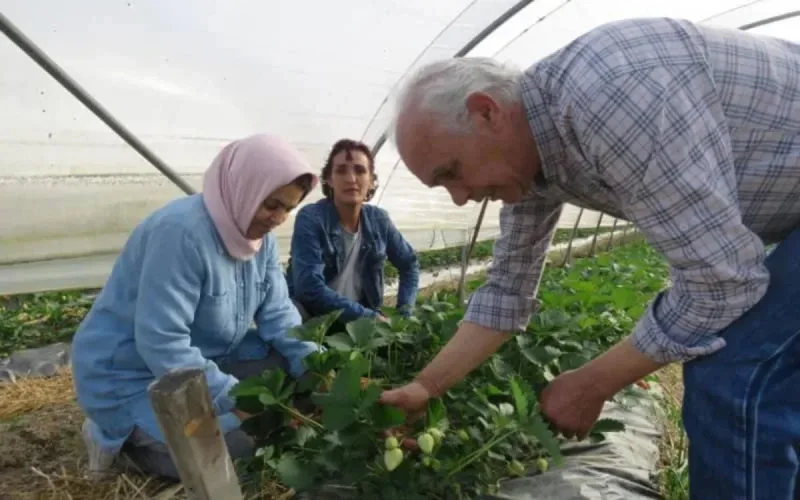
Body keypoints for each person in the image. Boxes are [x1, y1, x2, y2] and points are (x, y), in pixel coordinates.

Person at [379, 17, 800, 500]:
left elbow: (722, 282)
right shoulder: (530, 157)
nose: (459, 198)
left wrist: (591, 383)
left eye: (451, 172)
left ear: (486, 112)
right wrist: (426, 387)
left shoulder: (608, 98)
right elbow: (507, 293)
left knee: (734, 374)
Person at [71, 134, 323, 481]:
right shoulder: (180, 234)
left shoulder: (258, 238)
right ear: (245, 187)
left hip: (204, 360)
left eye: (288, 209)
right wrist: (237, 401)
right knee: (234, 451)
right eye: (272, 204)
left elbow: (279, 313)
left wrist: (318, 366)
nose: (278, 218)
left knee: (290, 375)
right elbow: (163, 342)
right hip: (132, 375)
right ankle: (118, 437)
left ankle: (207, 422)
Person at [287, 138, 420, 324]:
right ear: (329, 180)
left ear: (372, 181)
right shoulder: (311, 218)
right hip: (313, 321)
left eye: (360, 170)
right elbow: (308, 288)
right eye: (341, 171)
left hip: (359, 325)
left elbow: (409, 264)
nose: (351, 179)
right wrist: (370, 317)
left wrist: (404, 313)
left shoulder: (379, 221)